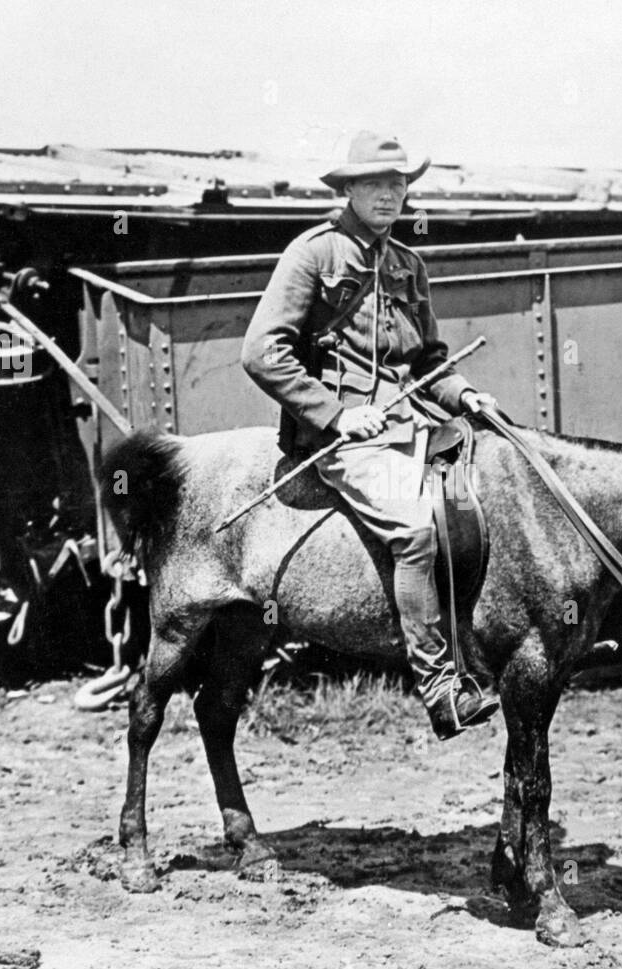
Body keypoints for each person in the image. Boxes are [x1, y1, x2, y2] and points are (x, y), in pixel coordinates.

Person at [241, 131, 502, 741]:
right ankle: (440, 689)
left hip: (414, 429)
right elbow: (261, 353)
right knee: (414, 532)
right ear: (349, 189)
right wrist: (334, 414)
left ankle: (495, 651)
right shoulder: (314, 255)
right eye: (376, 184)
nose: (390, 195)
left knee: (487, 507)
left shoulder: (408, 265)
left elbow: (430, 363)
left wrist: (463, 394)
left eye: (399, 183)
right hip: (345, 440)